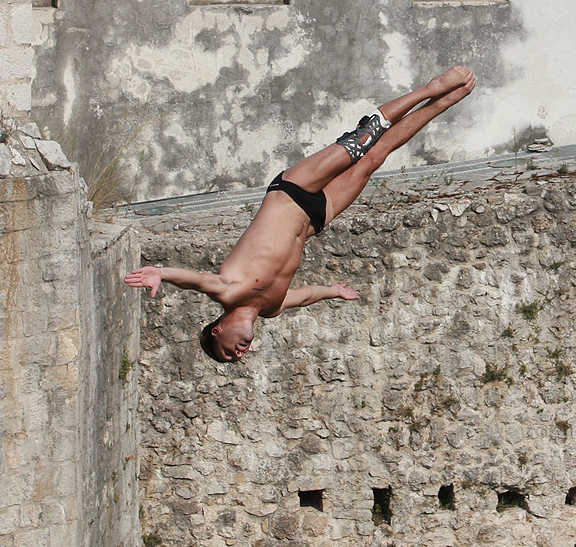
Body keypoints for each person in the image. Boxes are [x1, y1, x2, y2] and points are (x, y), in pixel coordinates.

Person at [125, 66, 476, 363]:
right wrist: (334, 291)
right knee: (374, 159)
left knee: (362, 141)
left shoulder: (228, 293)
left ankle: (430, 89)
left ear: (218, 329)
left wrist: (160, 272)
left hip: (290, 193)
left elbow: (193, 279)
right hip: (315, 219)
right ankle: (443, 103)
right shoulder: (271, 307)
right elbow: (304, 296)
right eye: (236, 359)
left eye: (227, 352)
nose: (239, 354)